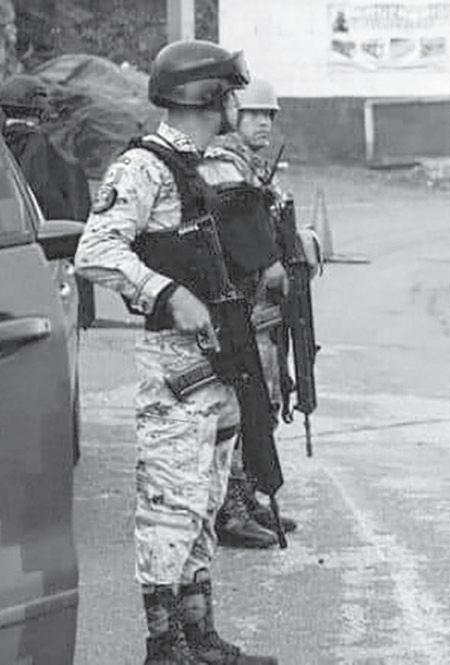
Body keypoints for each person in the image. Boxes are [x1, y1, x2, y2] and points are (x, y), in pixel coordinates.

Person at [74, 39, 279, 665]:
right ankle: (164, 646)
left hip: (218, 366)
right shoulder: (144, 168)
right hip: (175, 369)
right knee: (170, 506)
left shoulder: (203, 166)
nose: (236, 104)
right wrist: (166, 293)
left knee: (206, 503)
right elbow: (95, 251)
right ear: (208, 96)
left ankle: (198, 634)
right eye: (229, 93)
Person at [201, 79, 311, 549]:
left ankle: (248, 495)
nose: (264, 122)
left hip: (262, 312)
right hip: (239, 310)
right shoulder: (220, 165)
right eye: (254, 114)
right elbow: (238, 236)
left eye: (269, 115)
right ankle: (231, 508)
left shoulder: (252, 166)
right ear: (232, 116)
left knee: (262, 404)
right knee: (240, 406)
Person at [0, 73, 96, 328]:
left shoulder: (6, 149)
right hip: (42, 260)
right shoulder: (46, 150)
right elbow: (64, 208)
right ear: (39, 108)